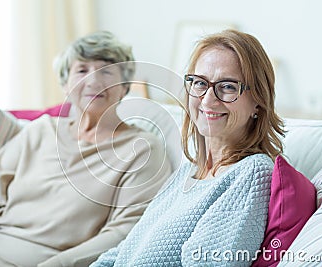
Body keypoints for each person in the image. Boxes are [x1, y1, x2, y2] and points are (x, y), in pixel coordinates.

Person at [0, 31, 172, 267]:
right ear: (65, 85)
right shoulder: (40, 131)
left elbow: (126, 230)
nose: (93, 80)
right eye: (81, 70)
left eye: (107, 70)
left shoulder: (142, 149)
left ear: (125, 86)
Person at [91, 29, 285, 266]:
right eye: (200, 83)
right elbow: (125, 250)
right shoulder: (189, 171)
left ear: (258, 101)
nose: (207, 100)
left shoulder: (252, 174)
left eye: (228, 87)